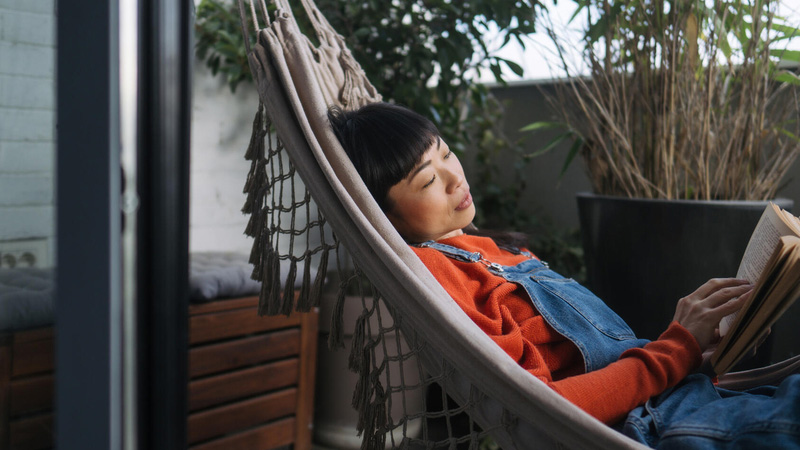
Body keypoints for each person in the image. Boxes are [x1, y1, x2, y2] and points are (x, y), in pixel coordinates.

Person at [328, 102, 800, 448]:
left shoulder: (496, 251)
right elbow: (541, 406)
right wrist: (676, 346)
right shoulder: (437, 272)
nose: (455, 178)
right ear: (380, 213)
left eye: (447, 154)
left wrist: (704, 349)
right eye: (428, 180)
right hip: (650, 427)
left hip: (685, 398)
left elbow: (594, 362)